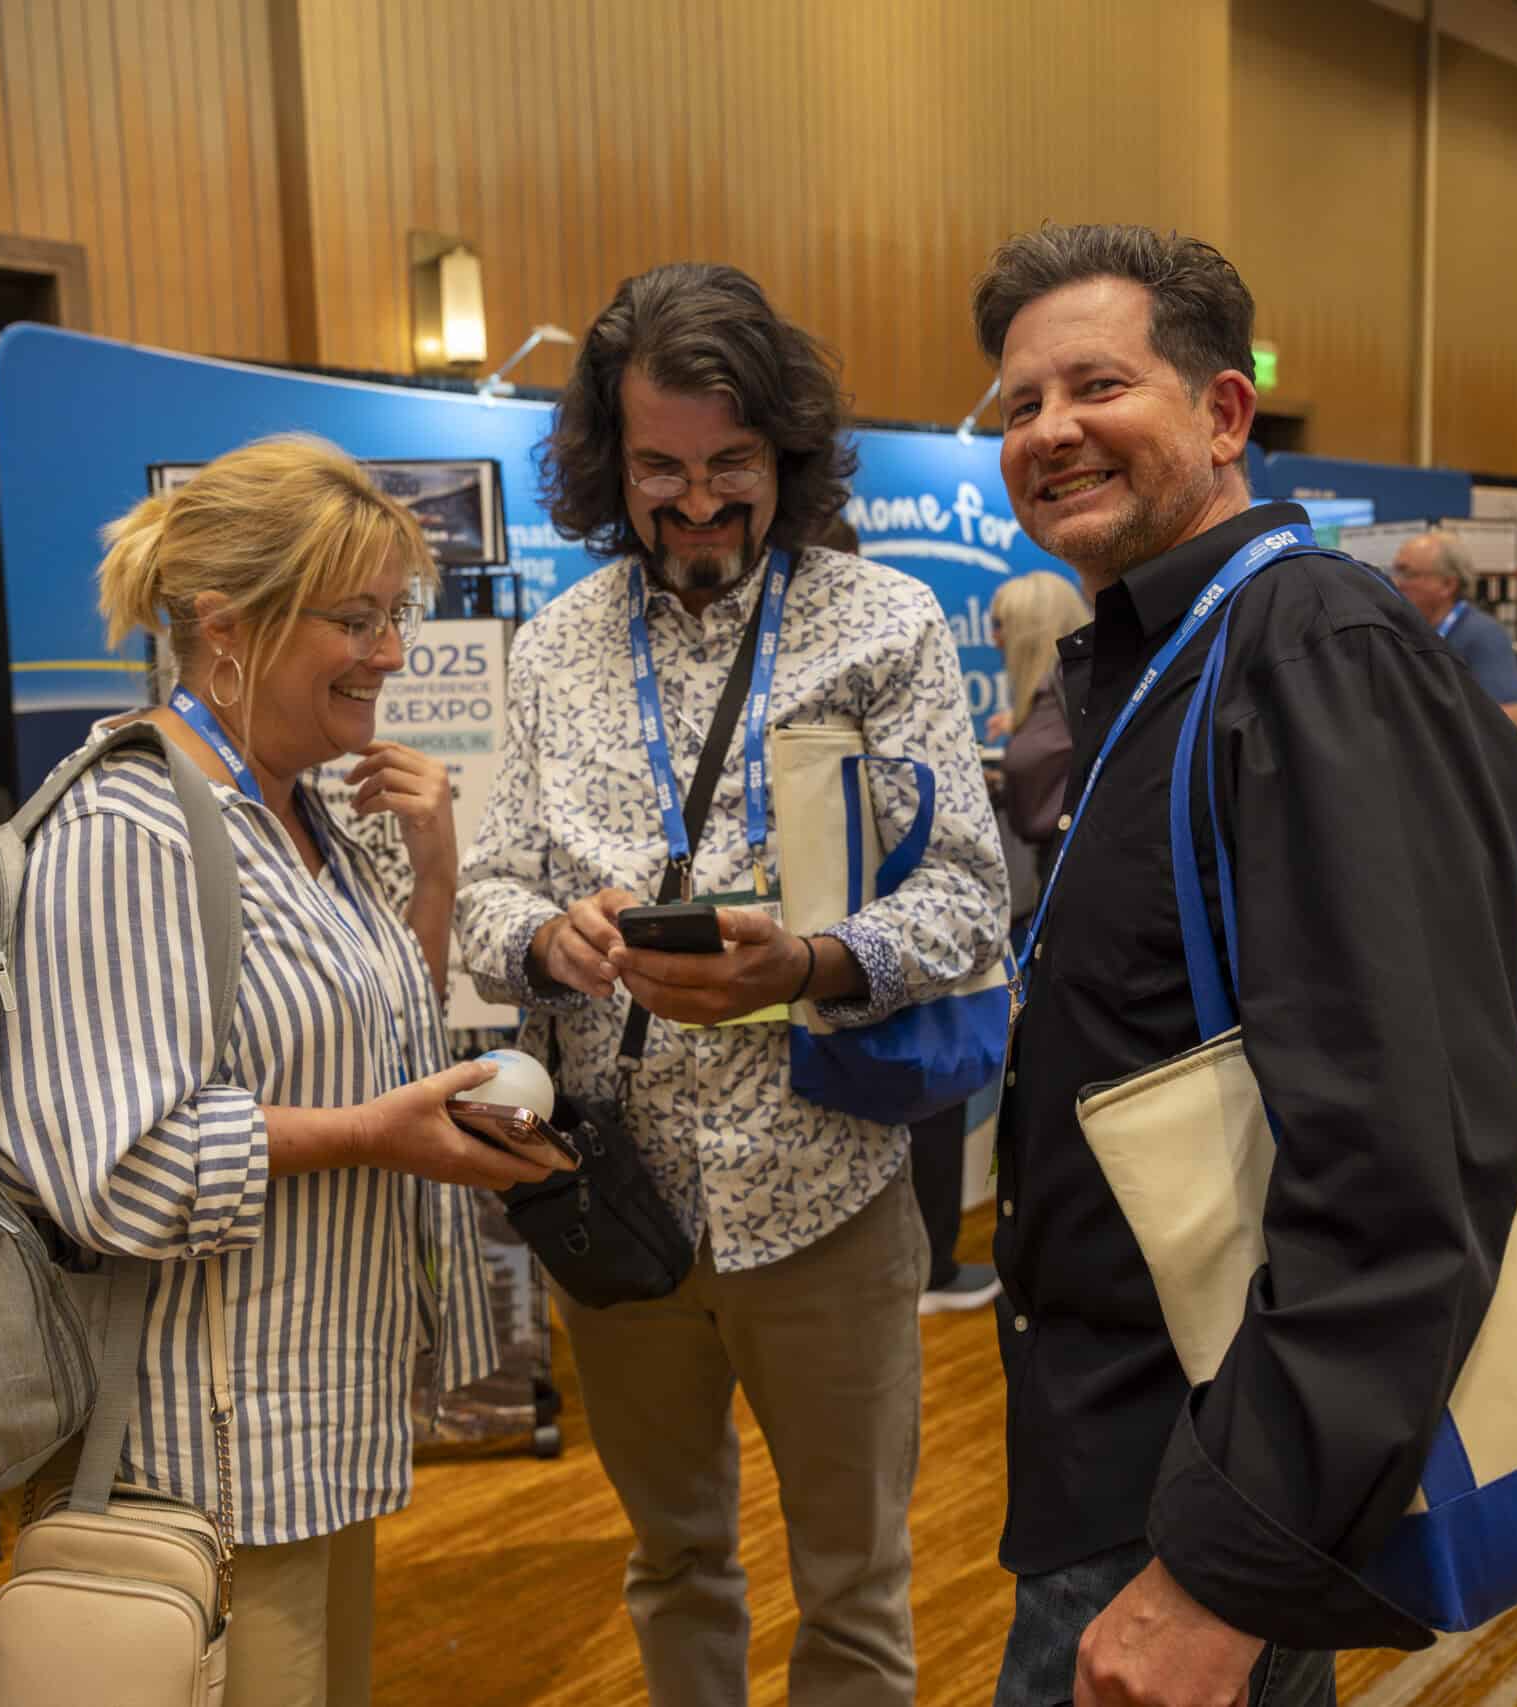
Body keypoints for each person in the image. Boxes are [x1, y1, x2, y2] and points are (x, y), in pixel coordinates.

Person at [970, 223, 1517, 1707]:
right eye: (1019, 405)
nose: (1050, 431)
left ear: (1224, 416)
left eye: (1097, 385)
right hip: (1126, 1449)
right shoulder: (1159, 660)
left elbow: (1402, 1160)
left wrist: (1225, 1569)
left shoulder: (1311, 648)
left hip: (1204, 1481)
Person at [455, 262, 1008, 1707]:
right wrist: (547, 937)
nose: (696, 504)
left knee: (856, 1591)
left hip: (821, 1181)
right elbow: (487, 894)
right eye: (660, 470)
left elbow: (969, 892)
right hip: (618, 1188)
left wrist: (818, 959)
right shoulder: (559, 647)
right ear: (609, 463)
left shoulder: (882, 625)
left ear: (788, 455)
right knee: (673, 1559)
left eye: (731, 467)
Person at [0, 436, 562, 1707]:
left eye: (395, 616)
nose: (394, 654)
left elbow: (374, 1044)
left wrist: (430, 877)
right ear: (226, 627)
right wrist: (373, 1135)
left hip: (315, 1422)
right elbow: (117, 1171)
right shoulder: (128, 830)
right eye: (355, 620)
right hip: (204, 1455)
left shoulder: (297, 811)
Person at [812, 514, 1005, 1319]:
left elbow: (965, 887)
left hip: (886, 952)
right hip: (849, 969)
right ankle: (926, 1260)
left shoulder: (901, 639)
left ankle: (925, 1259)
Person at [989, 569, 1093, 926]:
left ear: (1030, 626)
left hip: (1080, 877)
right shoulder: (1048, 698)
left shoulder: (1075, 690)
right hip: (1056, 874)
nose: (994, 638)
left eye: (1001, 623)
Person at [1391, 530, 1517, 733]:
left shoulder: (1482, 635)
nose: (1396, 583)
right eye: (1394, 572)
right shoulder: (1411, 631)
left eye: (1408, 574)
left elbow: (1514, 722)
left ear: (1447, 585)